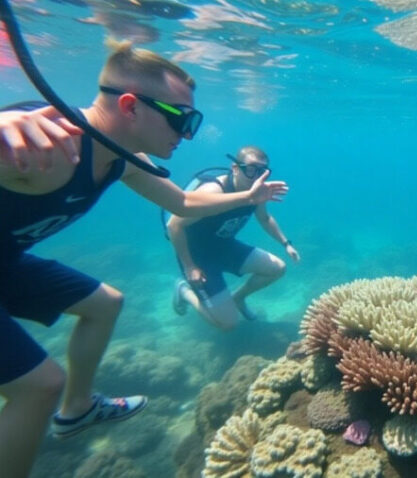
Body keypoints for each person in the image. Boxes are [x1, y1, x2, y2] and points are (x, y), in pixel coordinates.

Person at [0, 41, 287, 478]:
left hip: (7, 261)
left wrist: (248, 196)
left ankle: (77, 410)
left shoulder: (126, 160)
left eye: (194, 121)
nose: (187, 133)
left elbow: (185, 204)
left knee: (105, 303)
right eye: (181, 119)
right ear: (131, 107)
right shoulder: (49, 141)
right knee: (40, 386)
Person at [168, 146, 300, 329]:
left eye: (262, 171)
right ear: (235, 168)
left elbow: (265, 218)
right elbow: (173, 225)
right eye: (251, 169)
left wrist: (286, 244)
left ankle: (237, 298)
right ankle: (184, 291)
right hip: (198, 257)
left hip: (225, 247)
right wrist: (190, 267)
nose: (256, 177)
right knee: (228, 325)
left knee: (277, 268)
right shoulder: (214, 191)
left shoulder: (257, 192)